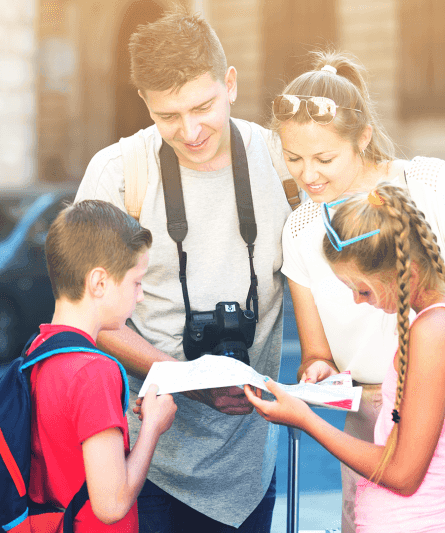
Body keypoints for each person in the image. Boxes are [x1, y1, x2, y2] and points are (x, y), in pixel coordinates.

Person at [271, 50, 445, 533]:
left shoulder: (431, 185)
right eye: (293, 159)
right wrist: (317, 369)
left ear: (363, 137)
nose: (307, 175)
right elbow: (317, 353)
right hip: (367, 427)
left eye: (324, 158)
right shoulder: (300, 229)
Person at [73, 8, 292, 533]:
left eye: (203, 106)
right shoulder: (117, 172)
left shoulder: (284, 163)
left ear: (231, 83)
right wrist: (187, 381)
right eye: (168, 116)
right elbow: (85, 317)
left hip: (248, 472)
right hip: (140, 463)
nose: (190, 131)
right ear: (144, 101)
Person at [248, 183, 445, 532]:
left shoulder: (433, 332)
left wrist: (305, 419)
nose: (357, 300)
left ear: (407, 273)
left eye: (363, 289)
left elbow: (403, 474)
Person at [27, 199, 177, 531]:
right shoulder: (95, 373)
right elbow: (111, 505)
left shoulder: (39, 351)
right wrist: (153, 426)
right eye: (136, 282)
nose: (140, 296)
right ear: (99, 283)